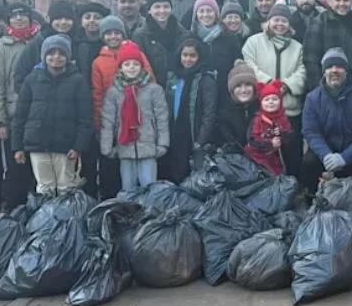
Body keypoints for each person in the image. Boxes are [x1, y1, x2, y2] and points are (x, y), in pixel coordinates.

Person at [11, 35, 92, 197]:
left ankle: (67, 221)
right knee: (44, 187)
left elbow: (85, 118)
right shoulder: (31, 80)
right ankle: (46, 221)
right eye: (51, 53)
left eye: (61, 54)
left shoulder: (78, 81)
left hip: (66, 145)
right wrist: (17, 146)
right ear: (44, 56)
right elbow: (20, 115)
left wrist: (78, 146)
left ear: (68, 57)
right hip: (37, 144)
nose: (56, 57)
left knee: (65, 187)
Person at [91, 17, 155, 198]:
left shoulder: (137, 53)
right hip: (115, 120)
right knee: (122, 166)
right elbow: (97, 94)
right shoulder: (98, 62)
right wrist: (99, 122)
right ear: (103, 36)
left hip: (141, 118)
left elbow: (151, 81)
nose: (113, 37)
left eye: (117, 33)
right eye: (109, 33)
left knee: (145, 165)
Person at [242, 3, 307, 175]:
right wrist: (270, 86)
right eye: (276, 19)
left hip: (289, 110)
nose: (279, 24)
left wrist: (285, 85)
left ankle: (294, 187)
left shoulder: (298, 47)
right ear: (268, 21)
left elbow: (303, 70)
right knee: (263, 154)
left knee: (292, 153)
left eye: (284, 21)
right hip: (262, 111)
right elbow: (249, 65)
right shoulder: (253, 42)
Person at [301, 49, 352, 193]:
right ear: (324, 71)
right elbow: (311, 132)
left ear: (347, 71)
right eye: (329, 67)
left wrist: (345, 158)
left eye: (339, 66)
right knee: (308, 163)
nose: (334, 70)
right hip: (325, 153)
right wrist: (326, 155)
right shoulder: (312, 98)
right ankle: (310, 198)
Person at [0, 2, 40, 208]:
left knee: (38, 166)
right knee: (15, 165)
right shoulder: (0, 47)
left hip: (38, 113)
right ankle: (14, 210)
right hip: (13, 114)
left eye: (23, 14)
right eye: (14, 15)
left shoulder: (40, 41)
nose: (19, 18)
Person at [101, 46, 169, 191]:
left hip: (148, 147)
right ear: (120, 68)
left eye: (135, 64)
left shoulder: (154, 90)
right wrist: (107, 146)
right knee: (128, 189)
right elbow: (108, 121)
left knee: (150, 188)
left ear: (142, 66)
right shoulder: (114, 92)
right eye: (127, 64)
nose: (131, 68)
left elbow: (161, 118)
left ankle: (150, 212)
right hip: (125, 147)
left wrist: (163, 143)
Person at [161, 38, 217, 183]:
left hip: (194, 134)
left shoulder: (206, 79)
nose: (188, 59)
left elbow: (209, 112)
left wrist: (201, 139)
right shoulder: (172, 76)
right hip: (174, 132)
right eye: (185, 55)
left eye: (193, 56)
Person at [72, 1, 111, 197]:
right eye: (88, 17)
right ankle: (87, 197)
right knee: (86, 156)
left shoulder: (111, 43)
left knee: (108, 156)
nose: (92, 21)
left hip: (108, 106)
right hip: (81, 108)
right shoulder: (74, 43)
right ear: (81, 21)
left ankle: (108, 195)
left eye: (97, 17)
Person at [303, 0, 352, 88]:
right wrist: (319, 88)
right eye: (338, 0)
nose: (342, 4)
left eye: (346, 0)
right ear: (330, 2)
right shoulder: (318, 24)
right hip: (328, 89)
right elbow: (310, 60)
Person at [13, 0, 78, 99]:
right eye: (58, 18)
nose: (63, 22)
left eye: (68, 18)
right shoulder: (37, 43)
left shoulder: (77, 43)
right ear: (49, 19)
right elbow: (20, 77)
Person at [132, 0, 183, 85]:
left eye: (166, 6)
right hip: (152, 86)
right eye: (157, 7)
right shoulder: (140, 36)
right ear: (149, 10)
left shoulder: (182, 32)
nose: (162, 10)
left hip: (178, 85)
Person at [244, 80, 293, 176]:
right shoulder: (257, 120)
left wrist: (281, 134)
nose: (271, 102)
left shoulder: (283, 119)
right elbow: (252, 140)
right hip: (257, 158)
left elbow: (289, 137)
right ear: (261, 103)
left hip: (276, 158)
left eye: (274, 99)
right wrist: (270, 144)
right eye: (267, 100)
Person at [217, 61, 260, 151]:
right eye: (238, 86)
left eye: (248, 85)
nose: (243, 90)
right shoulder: (223, 114)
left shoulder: (263, 109)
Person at [213, 0, 247, 105]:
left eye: (236, 17)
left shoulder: (248, 37)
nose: (233, 20)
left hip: (244, 87)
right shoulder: (217, 39)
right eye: (229, 17)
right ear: (223, 19)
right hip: (223, 87)